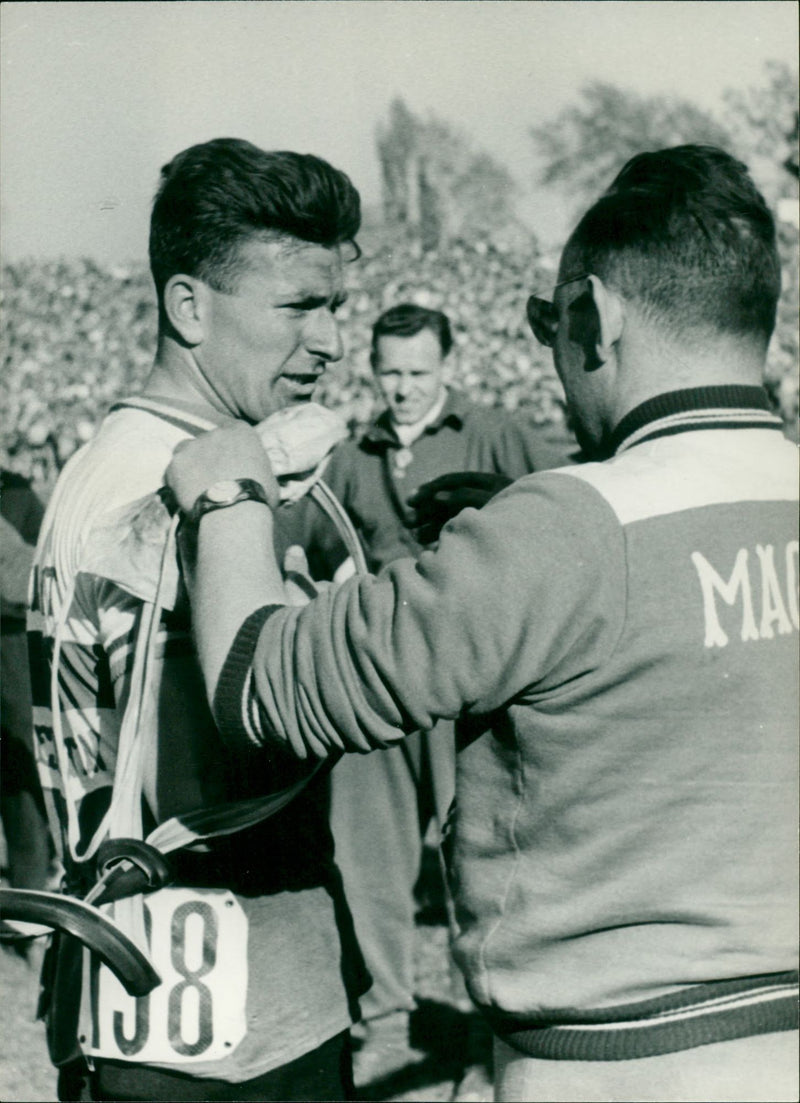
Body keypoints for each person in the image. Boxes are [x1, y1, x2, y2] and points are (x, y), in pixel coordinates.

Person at [165, 144, 798, 1103]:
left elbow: (264, 684)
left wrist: (231, 492)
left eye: (552, 321)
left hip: (618, 1061)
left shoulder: (564, 527)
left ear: (597, 313)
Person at [27, 138, 368, 1102]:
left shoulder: (129, 455)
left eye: (334, 306)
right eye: (300, 306)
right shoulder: (178, 487)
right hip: (212, 1017)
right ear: (189, 306)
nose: (331, 340)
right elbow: (227, 745)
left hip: (201, 993)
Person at [284, 301, 575, 1077]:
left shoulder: (497, 432)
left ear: (446, 366)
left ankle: (490, 1039)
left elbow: (573, 513)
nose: (404, 388)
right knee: (368, 860)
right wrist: (316, 582)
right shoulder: (351, 453)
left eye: (418, 372)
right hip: (378, 693)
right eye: (389, 372)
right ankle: (383, 1023)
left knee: (481, 858)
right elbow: (292, 548)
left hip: (473, 688)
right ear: (372, 371)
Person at [1, 472, 52, 898]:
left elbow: (41, 565)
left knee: (22, 759)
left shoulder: (15, 491)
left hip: (12, 641)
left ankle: (32, 884)